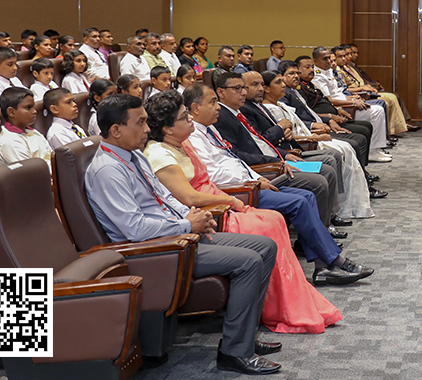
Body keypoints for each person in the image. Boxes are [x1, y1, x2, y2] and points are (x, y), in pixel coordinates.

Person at [84, 94, 282, 375]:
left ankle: (244, 335)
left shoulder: (135, 155)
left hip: (177, 236)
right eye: (140, 123)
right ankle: (235, 352)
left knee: (265, 246)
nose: (147, 129)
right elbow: (135, 228)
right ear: (116, 130)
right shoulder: (107, 170)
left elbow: (164, 197)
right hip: (157, 250)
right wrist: (186, 225)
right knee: (248, 262)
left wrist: (193, 216)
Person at [142, 91, 348, 332]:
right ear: (167, 128)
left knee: (275, 218)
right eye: (184, 117)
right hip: (211, 214)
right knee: (268, 224)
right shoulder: (160, 154)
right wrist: (231, 200)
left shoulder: (183, 143)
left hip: (221, 201)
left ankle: (289, 300)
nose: (190, 120)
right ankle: (278, 307)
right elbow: (189, 198)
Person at [184, 84, 372, 284]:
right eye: (213, 102)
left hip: (253, 180)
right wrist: (254, 182)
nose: (218, 107)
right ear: (196, 108)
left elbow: (235, 160)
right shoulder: (194, 136)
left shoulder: (210, 129)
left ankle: (322, 266)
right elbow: (215, 174)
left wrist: (258, 176)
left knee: (307, 196)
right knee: (299, 202)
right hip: (240, 191)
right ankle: (335, 261)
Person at [212, 71, 338, 231]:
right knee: (319, 180)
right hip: (266, 168)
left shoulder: (239, 111)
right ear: (221, 92)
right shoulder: (222, 117)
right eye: (238, 88)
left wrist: (285, 154)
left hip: (278, 157)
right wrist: (277, 159)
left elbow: (260, 142)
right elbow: (237, 154)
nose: (243, 92)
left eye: (244, 88)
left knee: (327, 167)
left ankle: (324, 224)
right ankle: (320, 230)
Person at [261, 70, 381, 213]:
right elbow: (283, 138)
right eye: (278, 82)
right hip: (303, 144)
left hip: (310, 136)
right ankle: (341, 204)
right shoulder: (269, 109)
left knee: (348, 147)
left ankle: (352, 199)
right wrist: (315, 137)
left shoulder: (282, 105)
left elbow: (300, 124)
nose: (283, 85)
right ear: (266, 88)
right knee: (341, 151)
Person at [277, 60, 373, 175]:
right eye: (291, 73)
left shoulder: (295, 90)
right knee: (355, 142)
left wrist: (329, 119)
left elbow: (310, 112)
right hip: (312, 132)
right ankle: (361, 177)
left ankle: (363, 175)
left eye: (297, 73)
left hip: (322, 124)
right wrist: (315, 124)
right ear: (281, 76)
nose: (296, 76)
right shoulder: (283, 95)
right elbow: (294, 121)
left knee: (360, 136)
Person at [312, 47, 391, 162]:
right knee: (377, 111)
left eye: (329, 58)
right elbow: (329, 100)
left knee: (378, 108)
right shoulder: (318, 76)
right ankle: (372, 151)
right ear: (316, 61)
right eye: (325, 59)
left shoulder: (328, 71)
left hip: (346, 103)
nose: (329, 61)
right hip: (342, 109)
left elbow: (338, 93)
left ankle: (376, 148)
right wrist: (352, 102)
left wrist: (351, 98)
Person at [332, 45, 407, 135]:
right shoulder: (336, 72)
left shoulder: (347, 68)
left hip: (354, 96)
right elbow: (339, 92)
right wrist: (354, 97)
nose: (345, 58)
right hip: (349, 100)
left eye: (345, 55)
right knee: (384, 103)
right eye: (340, 57)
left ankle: (392, 130)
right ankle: (387, 133)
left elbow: (350, 86)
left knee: (391, 98)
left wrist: (365, 88)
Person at [0, 87, 52, 170]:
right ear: (11, 112)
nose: (34, 111)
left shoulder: (34, 132)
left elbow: (51, 158)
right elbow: (31, 172)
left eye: (34, 107)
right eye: (28, 108)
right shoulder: (10, 142)